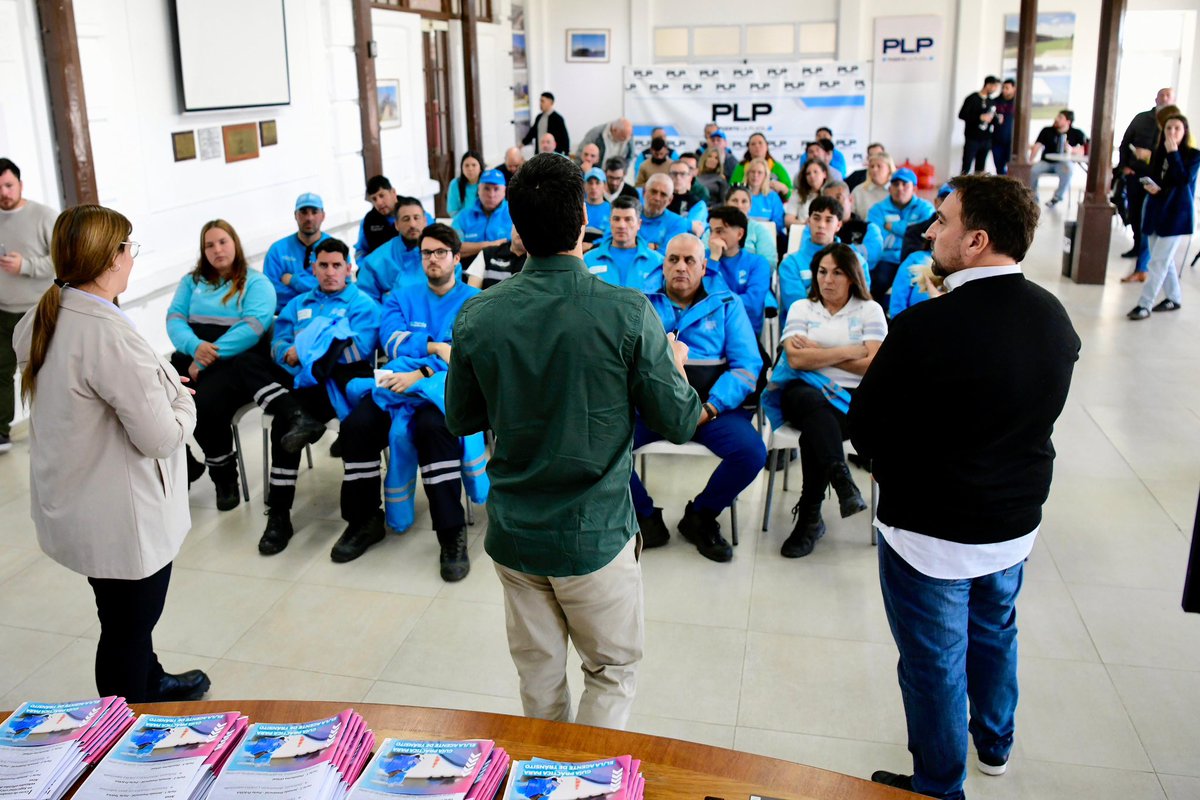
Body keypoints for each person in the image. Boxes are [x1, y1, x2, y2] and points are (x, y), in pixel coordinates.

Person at [445, 152, 701, 730]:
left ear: (516, 229)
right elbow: (681, 421)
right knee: (609, 672)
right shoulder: (627, 312)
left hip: (514, 533)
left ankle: (543, 779)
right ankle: (583, 789)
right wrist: (676, 365)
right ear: (585, 217)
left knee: (538, 679)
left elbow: (459, 418)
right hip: (595, 536)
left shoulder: (478, 315)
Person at [849, 174, 1080, 800]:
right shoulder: (1054, 318)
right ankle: (996, 743)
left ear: (975, 240)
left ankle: (938, 785)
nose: (930, 231)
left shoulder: (926, 328)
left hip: (931, 533)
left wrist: (893, 463)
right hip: (1011, 523)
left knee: (934, 663)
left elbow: (864, 427)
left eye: (943, 221)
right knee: (996, 628)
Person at [15, 204, 210, 703]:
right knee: (127, 625)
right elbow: (161, 439)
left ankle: (151, 680)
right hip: (120, 517)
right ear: (109, 261)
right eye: (127, 246)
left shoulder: (47, 312)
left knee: (120, 614)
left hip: (82, 501)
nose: (131, 256)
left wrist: (157, 382)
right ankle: (121, 733)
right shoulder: (105, 334)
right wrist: (182, 401)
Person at [334, 223, 482, 573]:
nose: (432, 259)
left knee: (437, 429)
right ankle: (364, 520)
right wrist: (435, 347)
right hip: (396, 385)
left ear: (457, 258)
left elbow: (466, 359)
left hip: (441, 391)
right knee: (356, 427)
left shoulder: (475, 303)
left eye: (441, 253)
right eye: (426, 253)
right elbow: (391, 343)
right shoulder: (400, 296)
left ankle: (451, 533)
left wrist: (423, 372)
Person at [167, 220, 321, 511]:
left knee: (204, 405)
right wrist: (193, 348)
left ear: (235, 244)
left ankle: (224, 478)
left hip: (237, 359)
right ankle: (186, 463)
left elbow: (253, 326)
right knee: (159, 394)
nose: (217, 249)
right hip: (193, 353)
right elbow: (174, 318)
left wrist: (209, 355)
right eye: (209, 245)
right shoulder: (191, 282)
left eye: (223, 242)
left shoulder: (256, 282)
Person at [633, 234, 765, 562]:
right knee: (601, 445)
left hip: (712, 409)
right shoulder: (639, 303)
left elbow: (746, 367)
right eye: (673, 259)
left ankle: (701, 516)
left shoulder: (727, 304)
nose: (681, 267)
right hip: (653, 408)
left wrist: (710, 407)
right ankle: (645, 517)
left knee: (751, 453)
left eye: (690, 260)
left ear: (704, 266)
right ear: (662, 265)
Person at [260, 238, 381, 558]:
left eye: (336, 265)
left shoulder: (363, 304)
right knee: (284, 424)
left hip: (344, 386)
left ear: (348, 268)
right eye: (323, 266)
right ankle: (279, 515)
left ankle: (363, 518)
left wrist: (308, 347)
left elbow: (359, 350)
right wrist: (289, 351)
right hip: (305, 384)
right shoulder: (298, 303)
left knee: (352, 424)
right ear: (313, 268)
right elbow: (279, 342)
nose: (330, 272)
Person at [765, 243, 882, 558]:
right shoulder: (802, 307)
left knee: (816, 430)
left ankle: (810, 519)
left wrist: (818, 350)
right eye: (822, 272)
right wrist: (849, 351)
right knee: (808, 399)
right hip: (802, 392)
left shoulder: (869, 310)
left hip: (852, 402)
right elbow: (796, 360)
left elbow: (874, 365)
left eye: (837, 272)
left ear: (853, 276)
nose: (827, 280)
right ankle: (839, 479)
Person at [0, 157, 56, 454]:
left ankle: (51, 427)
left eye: (9, 186)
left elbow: (62, 258)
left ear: (20, 184)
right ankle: (1, 432)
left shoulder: (44, 216)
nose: (4, 193)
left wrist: (26, 265)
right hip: (2, 311)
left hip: (38, 309)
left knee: (43, 371)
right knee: (1, 372)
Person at [1127, 113, 1199, 321]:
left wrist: (1173, 153)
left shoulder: (1193, 155)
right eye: (1168, 128)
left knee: (1157, 262)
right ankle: (1174, 298)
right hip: (1155, 212)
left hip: (1176, 216)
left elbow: (1183, 179)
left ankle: (1144, 305)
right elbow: (1155, 177)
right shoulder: (1159, 153)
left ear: (1185, 132)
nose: (1172, 132)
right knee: (1163, 261)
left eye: (1177, 128)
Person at [778, 197, 870, 320]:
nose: (821, 225)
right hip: (804, 330)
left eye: (828, 220)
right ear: (808, 222)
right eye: (816, 218)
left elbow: (860, 301)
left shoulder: (856, 261)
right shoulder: (790, 264)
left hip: (847, 327)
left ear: (838, 225)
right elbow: (797, 309)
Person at [1118, 87, 1175, 267]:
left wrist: (1149, 156)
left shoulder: (1174, 124)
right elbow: (1125, 142)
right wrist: (1124, 166)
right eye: (1162, 95)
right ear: (1156, 98)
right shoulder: (1141, 118)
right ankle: (1137, 246)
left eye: (1169, 96)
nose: (1165, 99)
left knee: (1148, 217)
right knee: (1134, 212)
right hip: (1136, 174)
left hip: (1159, 181)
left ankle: (1144, 259)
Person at [866, 167, 934, 299]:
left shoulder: (926, 208)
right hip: (887, 258)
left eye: (904, 184)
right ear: (890, 188)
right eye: (895, 184)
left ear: (914, 188)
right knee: (877, 283)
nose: (900, 188)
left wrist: (893, 227)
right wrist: (912, 232)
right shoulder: (877, 210)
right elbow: (877, 240)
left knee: (920, 291)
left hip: (915, 259)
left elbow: (926, 236)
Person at [706, 205, 771, 337]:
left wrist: (713, 303)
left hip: (743, 332)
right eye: (711, 231)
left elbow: (752, 304)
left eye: (719, 231)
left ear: (739, 234)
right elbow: (698, 297)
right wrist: (713, 260)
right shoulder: (702, 258)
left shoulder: (758, 263)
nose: (712, 238)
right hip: (707, 332)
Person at [264, 192, 331, 313]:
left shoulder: (335, 249)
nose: (309, 218)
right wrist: (315, 288)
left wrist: (293, 280)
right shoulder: (277, 250)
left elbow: (338, 287)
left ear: (323, 216)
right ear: (295, 215)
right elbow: (271, 292)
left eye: (314, 212)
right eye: (304, 212)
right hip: (286, 314)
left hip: (325, 313)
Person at [356, 196, 427, 302]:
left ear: (425, 221)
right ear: (397, 225)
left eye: (416, 218)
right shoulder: (376, 262)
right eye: (406, 219)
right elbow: (366, 301)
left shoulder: (442, 253)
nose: (412, 224)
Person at [584, 196, 663, 288]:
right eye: (616, 219)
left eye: (628, 219)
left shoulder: (658, 262)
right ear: (610, 222)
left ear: (639, 224)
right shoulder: (588, 260)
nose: (621, 225)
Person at [1027, 110, 1088, 208]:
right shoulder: (1047, 130)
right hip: (1046, 162)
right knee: (1033, 170)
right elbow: (1037, 146)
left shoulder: (1076, 133)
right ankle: (1033, 198)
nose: (1056, 119)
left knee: (1069, 170)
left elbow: (1087, 147)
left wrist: (1072, 150)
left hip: (1063, 164)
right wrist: (1030, 161)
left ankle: (1057, 197)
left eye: (1060, 118)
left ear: (1068, 121)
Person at [821, 179, 884, 267]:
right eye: (829, 201)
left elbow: (873, 256)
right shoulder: (818, 228)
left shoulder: (868, 228)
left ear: (850, 200)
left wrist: (834, 252)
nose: (834, 204)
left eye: (838, 198)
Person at [452, 169, 513, 259]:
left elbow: (517, 249)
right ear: (478, 190)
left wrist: (471, 248)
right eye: (486, 188)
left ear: (504, 191)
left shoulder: (514, 214)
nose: (491, 195)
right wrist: (493, 244)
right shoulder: (463, 216)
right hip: (467, 268)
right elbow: (453, 248)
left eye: (496, 189)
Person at [717, 187, 778, 265]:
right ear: (726, 204)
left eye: (744, 201)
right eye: (734, 201)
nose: (739, 206)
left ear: (750, 206)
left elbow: (769, 262)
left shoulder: (759, 230)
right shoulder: (715, 228)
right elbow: (703, 257)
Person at [958, 75, 1001, 174]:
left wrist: (997, 119)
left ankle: (978, 188)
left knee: (980, 168)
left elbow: (991, 118)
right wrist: (979, 117)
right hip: (972, 138)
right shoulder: (972, 98)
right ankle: (962, 187)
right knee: (966, 165)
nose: (995, 89)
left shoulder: (991, 101)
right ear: (988, 85)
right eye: (994, 86)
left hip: (986, 139)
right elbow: (962, 115)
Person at [639, 174, 690, 251]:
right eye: (653, 192)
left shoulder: (678, 223)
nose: (657, 198)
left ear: (670, 200)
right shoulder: (628, 216)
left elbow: (668, 256)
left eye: (663, 195)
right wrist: (651, 247)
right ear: (643, 192)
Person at [466, 225, 528, 289]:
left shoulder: (537, 259)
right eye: (518, 224)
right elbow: (472, 293)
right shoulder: (487, 253)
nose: (521, 230)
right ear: (512, 226)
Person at [730, 133, 791, 198]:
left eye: (760, 143)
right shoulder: (741, 167)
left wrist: (783, 188)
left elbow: (789, 192)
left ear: (766, 146)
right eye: (753, 144)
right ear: (748, 148)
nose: (757, 146)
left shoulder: (777, 167)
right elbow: (732, 188)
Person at [354, 175, 398, 262]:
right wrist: (365, 268)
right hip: (380, 272)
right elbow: (360, 252)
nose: (379, 202)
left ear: (393, 192)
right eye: (374, 199)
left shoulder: (414, 211)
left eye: (382, 195)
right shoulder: (368, 221)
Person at [744, 158, 786, 236]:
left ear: (765, 175)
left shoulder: (773, 197)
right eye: (752, 172)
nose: (755, 175)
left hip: (768, 236)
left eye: (759, 172)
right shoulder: (741, 194)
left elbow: (779, 223)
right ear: (748, 174)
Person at [666, 159, 709, 235]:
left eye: (682, 174)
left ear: (690, 178)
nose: (678, 177)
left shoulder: (698, 204)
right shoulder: (660, 198)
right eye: (674, 173)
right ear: (668, 176)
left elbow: (693, 231)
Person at [785, 159, 829, 229]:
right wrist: (804, 224)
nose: (812, 176)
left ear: (824, 174)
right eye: (808, 173)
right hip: (803, 233)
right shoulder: (798, 194)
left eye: (815, 172)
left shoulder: (831, 193)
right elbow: (788, 220)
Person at [851, 152, 895, 217]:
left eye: (879, 166)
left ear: (889, 169)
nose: (874, 169)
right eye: (872, 166)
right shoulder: (858, 191)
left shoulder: (898, 190)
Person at [446, 151, 483, 217]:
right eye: (466, 165)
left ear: (480, 168)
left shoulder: (487, 183)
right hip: (462, 223)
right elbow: (452, 210)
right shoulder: (455, 184)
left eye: (474, 165)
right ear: (462, 168)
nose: (470, 169)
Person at [991, 79, 1016, 174]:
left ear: (1014, 88)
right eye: (1003, 88)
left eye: (1007, 88)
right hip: (997, 140)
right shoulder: (995, 102)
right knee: (999, 168)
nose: (1004, 90)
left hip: (1012, 141)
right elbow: (988, 118)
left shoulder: (1018, 103)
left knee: (1011, 167)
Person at [583, 168, 612, 238]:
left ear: (604, 185)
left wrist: (593, 245)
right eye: (590, 183)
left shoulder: (612, 210)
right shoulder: (577, 208)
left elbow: (611, 236)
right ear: (584, 185)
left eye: (597, 183)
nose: (593, 187)